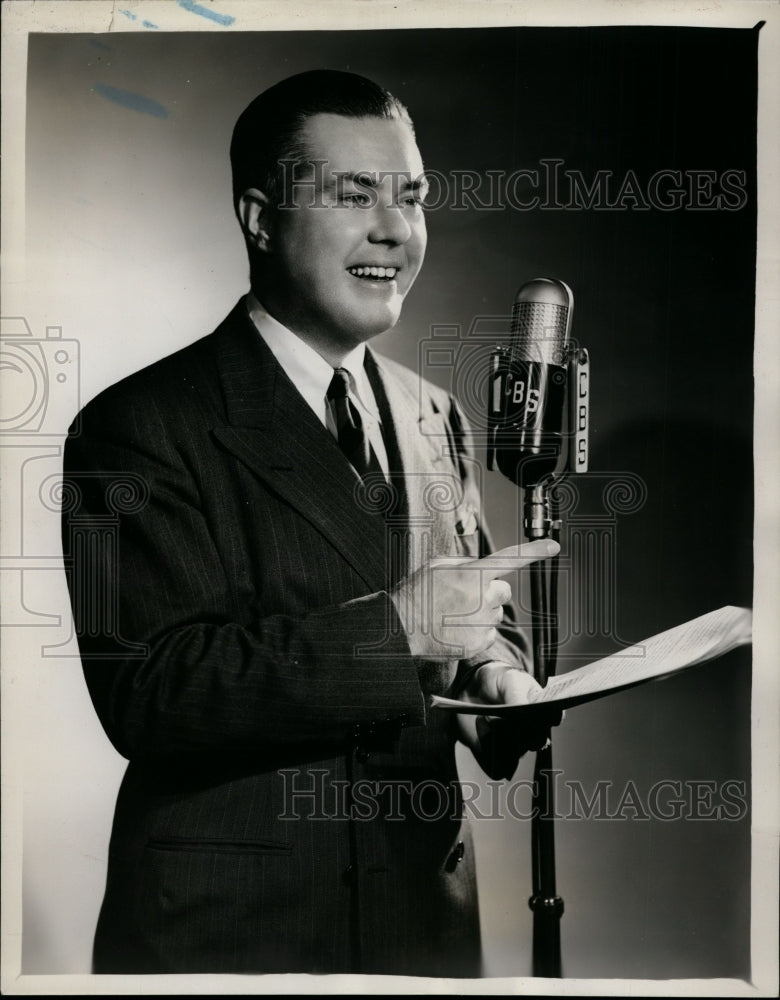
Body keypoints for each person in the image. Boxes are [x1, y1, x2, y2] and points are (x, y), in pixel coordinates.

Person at [62, 69, 559, 978]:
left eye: (412, 197)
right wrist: (400, 631)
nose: (395, 231)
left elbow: (476, 614)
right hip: (232, 934)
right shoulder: (138, 424)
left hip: (420, 926)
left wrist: (495, 683)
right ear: (259, 217)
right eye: (355, 194)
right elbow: (150, 694)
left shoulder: (433, 416)